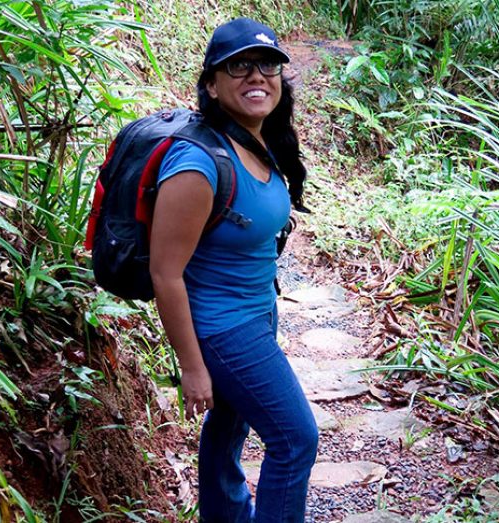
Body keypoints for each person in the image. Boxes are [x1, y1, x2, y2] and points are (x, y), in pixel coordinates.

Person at [149, 17, 318, 523]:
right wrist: (193, 365)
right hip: (222, 329)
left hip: (254, 315)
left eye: (267, 65)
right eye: (237, 66)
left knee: (229, 428)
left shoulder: (253, 141)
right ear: (211, 83)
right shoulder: (198, 163)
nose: (256, 76)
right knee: (295, 438)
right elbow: (165, 273)